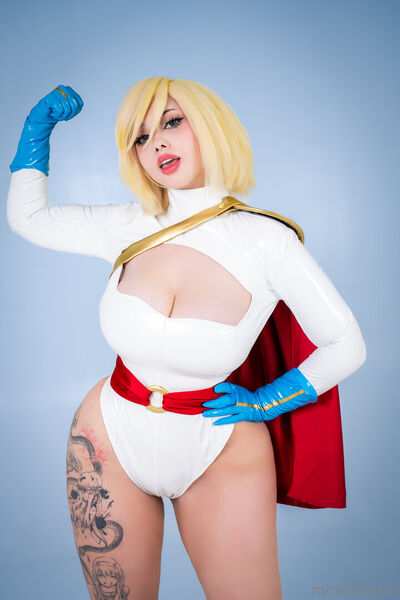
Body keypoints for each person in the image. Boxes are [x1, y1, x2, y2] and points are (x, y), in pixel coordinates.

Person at [7, 78, 366, 600]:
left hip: (218, 446)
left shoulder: (267, 240)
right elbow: (30, 220)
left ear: (210, 126)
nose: (156, 142)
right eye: (140, 136)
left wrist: (268, 400)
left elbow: (346, 343)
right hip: (110, 433)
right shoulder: (128, 224)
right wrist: (35, 133)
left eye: (171, 122)